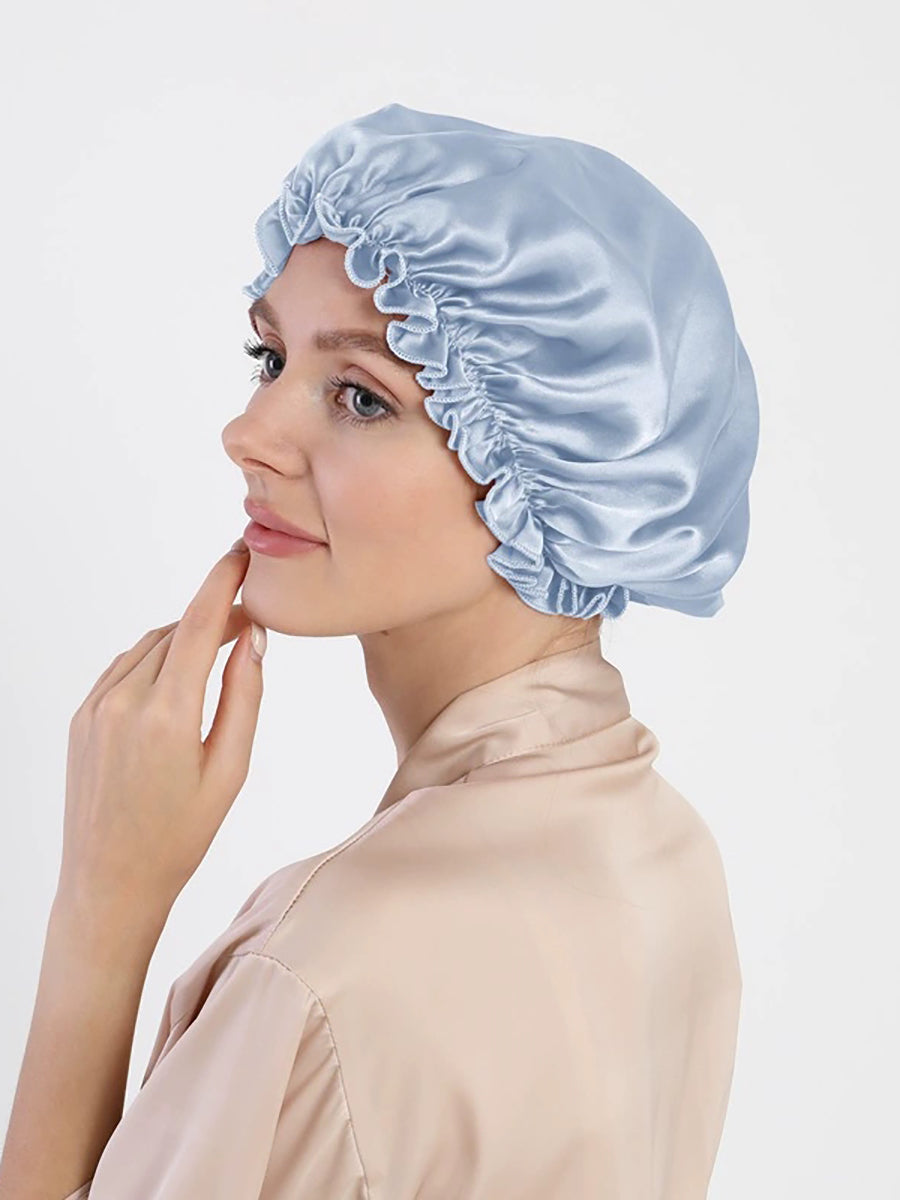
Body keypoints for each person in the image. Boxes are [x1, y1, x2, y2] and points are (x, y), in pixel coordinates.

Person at [2, 103, 758, 1198]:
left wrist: (99, 914)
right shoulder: (664, 853)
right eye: (267, 357)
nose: (249, 434)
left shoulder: (323, 971)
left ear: (539, 465)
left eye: (361, 396)